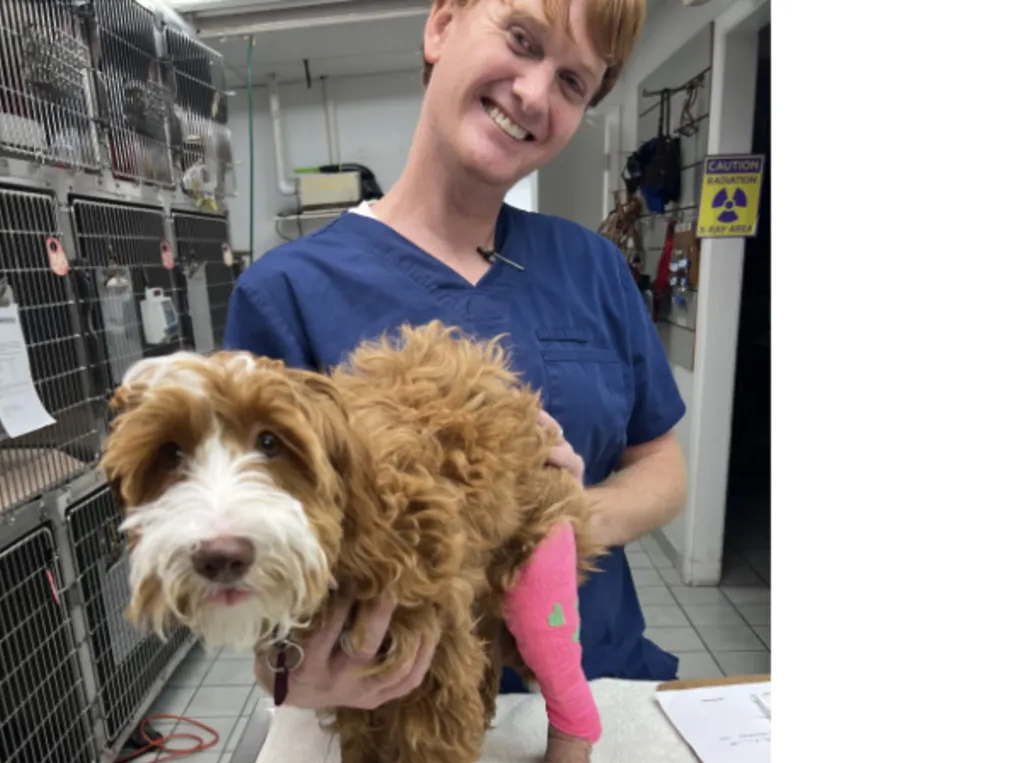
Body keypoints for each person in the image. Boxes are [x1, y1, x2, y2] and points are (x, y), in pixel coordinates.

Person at [224, 0, 688, 712]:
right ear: (441, 26)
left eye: (573, 83)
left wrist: (560, 525)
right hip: (399, 703)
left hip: (597, 684)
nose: (534, 94)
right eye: (522, 40)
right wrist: (291, 670)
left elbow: (662, 466)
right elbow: (255, 549)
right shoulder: (285, 294)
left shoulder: (591, 267)